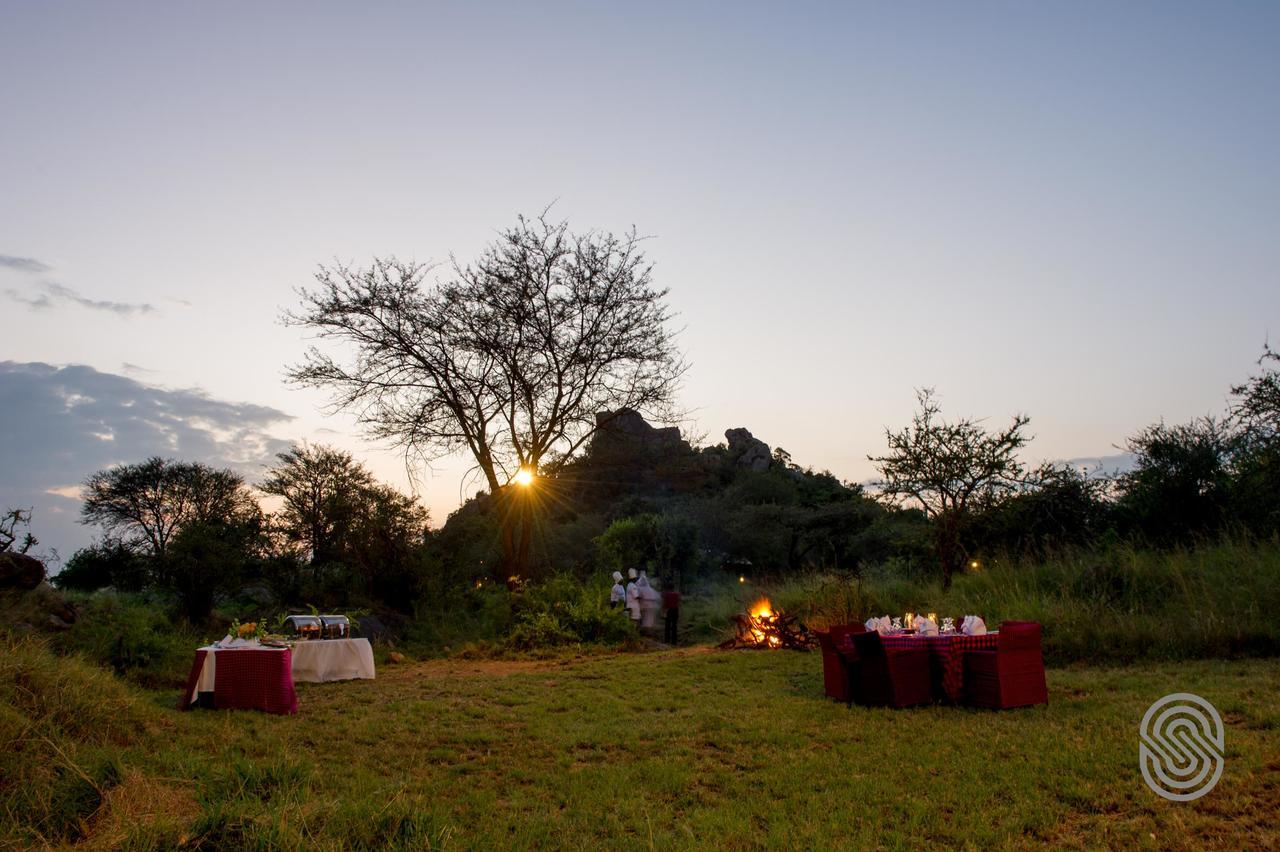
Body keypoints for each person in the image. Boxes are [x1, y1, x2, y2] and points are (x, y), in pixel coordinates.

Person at [662, 580, 681, 645]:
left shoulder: (666, 594)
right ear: (673, 588)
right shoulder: (677, 594)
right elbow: (679, 603)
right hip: (675, 610)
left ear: (668, 588)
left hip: (669, 610)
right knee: (674, 626)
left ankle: (667, 640)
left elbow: (664, 603)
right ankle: (674, 641)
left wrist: (663, 611)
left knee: (667, 626)